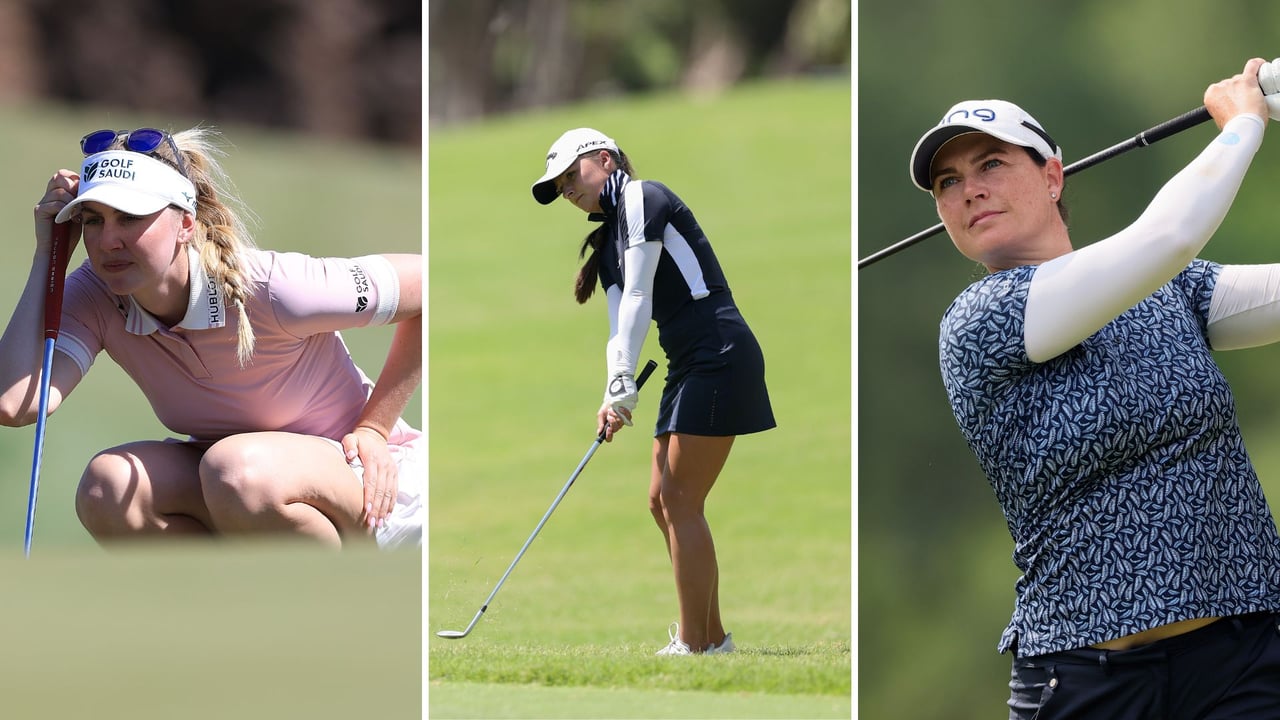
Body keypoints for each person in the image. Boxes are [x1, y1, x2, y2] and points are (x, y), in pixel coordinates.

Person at [910, 58, 1280, 717]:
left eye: (991, 164)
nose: (969, 190)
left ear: (1052, 176)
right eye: (948, 181)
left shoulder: (1167, 286)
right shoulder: (977, 321)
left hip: (1243, 659)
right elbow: (1168, 236)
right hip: (1085, 680)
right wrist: (1242, 127)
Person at [2, 126, 422, 549]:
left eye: (129, 217)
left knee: (236, 472)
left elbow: (428, 285)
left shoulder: (273, 287)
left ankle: (352, 588)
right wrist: (47, 257)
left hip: (370, 491)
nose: (108, 241)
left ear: (185, 224)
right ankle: (232, 592)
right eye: (94, 220)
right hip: (236, 492)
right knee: (108, 488)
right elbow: (15, 404)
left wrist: (374, 429)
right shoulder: (96, 294)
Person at [530, 128, 775, 655]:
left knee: (680, 499)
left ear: (605, 159)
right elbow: (619, 322)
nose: (568, 190)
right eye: (560, 186)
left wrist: (624, 377)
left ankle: (695, 644)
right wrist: (612, 392)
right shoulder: (609, 243)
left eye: (572, 175)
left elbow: (641, 295)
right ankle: (712, 640)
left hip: (718, 351)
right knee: (660, 501)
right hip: (687, 362)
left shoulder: (644, 197)